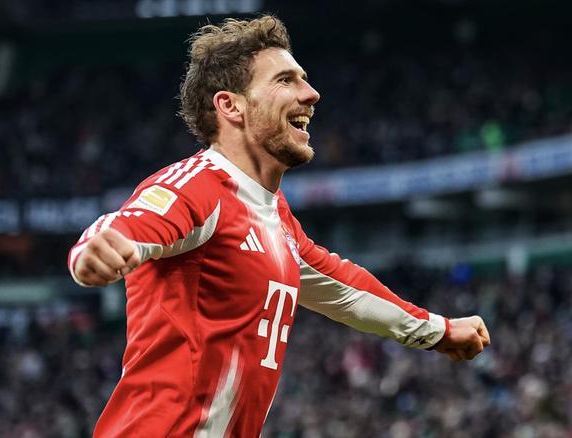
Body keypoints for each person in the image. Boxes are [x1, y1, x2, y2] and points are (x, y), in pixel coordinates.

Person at [68, 15, 491, 437]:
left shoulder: (277, 218)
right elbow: (127, 226)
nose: (311, 94)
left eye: (303, 79)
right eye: (286, 80)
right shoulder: (197, 186)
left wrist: (438, 330)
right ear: (230, 106)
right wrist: (95, 249)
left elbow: (345, 288)